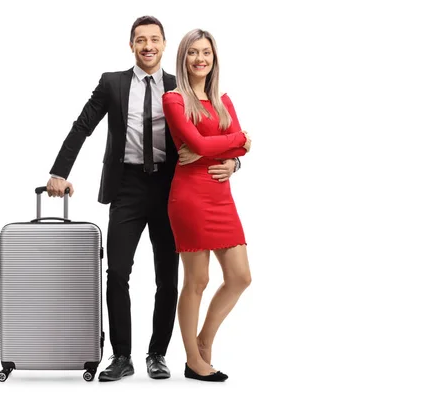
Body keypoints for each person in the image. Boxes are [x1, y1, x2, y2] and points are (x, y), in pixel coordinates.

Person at [46, 17, 241, 381]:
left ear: (165, 45)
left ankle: (157, 354)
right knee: (117, 271)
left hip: (173, 188)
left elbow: (213, 132)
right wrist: (60, 172)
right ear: (131, 46)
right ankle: (121, 356)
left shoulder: (177, 87)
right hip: (127, 187)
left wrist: (234, 162)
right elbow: (82, 126)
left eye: (154, 39)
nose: (147, 45)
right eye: (140, 40)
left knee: (167, 277)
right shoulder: (112, 83)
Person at [161, 29, 252, 382]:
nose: (200, 59)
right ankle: (193, 361)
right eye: (193, 53)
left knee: (241, 277)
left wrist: (232, 155)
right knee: (197, 280)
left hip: (221, 196)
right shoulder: (174, 99)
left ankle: (204, 341)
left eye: (207, 53)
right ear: (183, 58)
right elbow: (200, 141)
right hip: (190, 197)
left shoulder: (222, 100)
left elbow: (222, 149)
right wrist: (239, 140)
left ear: (214, 59)